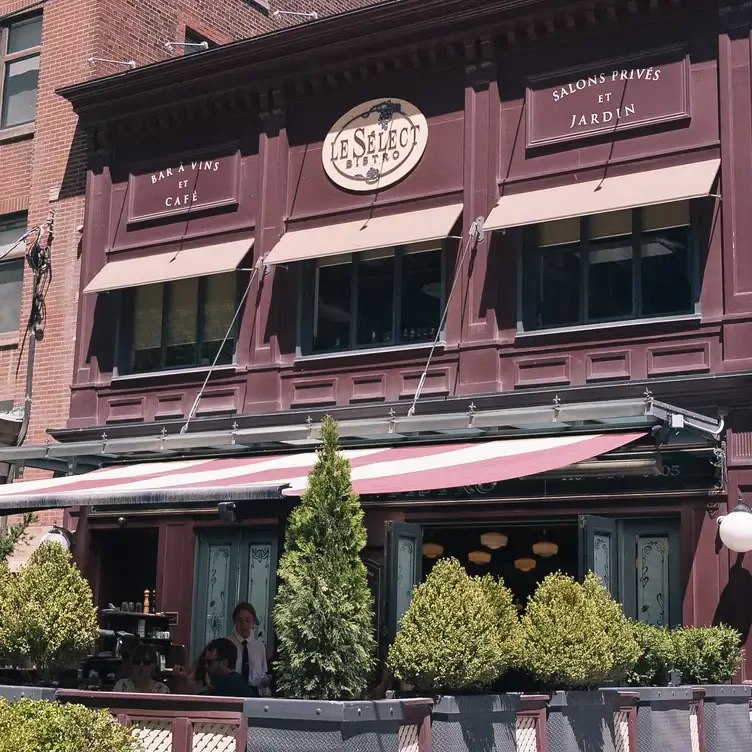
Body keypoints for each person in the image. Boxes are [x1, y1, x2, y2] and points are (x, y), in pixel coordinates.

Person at [227, 602, 270, 694]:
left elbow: (262, 675)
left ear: (253, 622)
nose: (244, 625)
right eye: (240, 620)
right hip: (231, 691)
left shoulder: (259, 646)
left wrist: (265, 681)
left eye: (248, 620)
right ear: (234, 621)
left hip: (253, 692)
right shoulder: (226, 644)